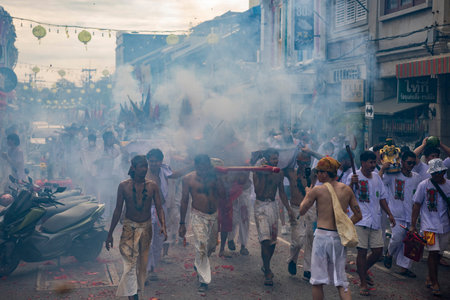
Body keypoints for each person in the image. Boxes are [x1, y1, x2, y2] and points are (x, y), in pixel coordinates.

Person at [300, 156, 362, 300]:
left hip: (322, 237)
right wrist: (344, 226)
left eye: (319, 172)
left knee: (317, 282)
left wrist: (307, 194)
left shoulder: (317, 190)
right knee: (341, 282)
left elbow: (302, 210)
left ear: (325, 173)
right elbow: (358, 215)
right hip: (338, 238)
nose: (317, 175)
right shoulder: (346, 190)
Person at [105, 155, 167, 300]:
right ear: (133, 168)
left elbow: (159, 207)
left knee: (142, 263)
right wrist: (109, 234)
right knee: (130, 262)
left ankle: (134, 290)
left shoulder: (152, 186)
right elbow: (117, 210)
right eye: (142, 166)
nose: (145, 169)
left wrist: (163, 225)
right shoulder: (123, 186)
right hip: (129, 228)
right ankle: (133, 295)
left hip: (146, 228)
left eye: (146, 166)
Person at [347, 150, 396, 296]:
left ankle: (362, 270)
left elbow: (382, 198)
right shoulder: (353, 176)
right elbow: (346, 196)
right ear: (362, 163)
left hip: (375, 220)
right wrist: (351, 184)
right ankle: (363, 281)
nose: (373, 165)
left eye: (374, 162)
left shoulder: (376, 177)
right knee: (362, 252)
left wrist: (390, 214)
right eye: (370, 162)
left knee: (377, 251)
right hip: (360, 220)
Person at [178, 154, 226, 293]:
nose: (204, 169)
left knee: (210, 247)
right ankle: (203, 281)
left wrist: (220, 178)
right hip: (198, 215)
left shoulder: (215, 177)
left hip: (213, 215)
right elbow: (184, 200)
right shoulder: (188, 179)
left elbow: (223, 195)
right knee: (201, 246)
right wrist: (182, 223)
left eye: (206, 166)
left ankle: (198, 263)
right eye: (201, 166)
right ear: (196, 165)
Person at [145, 148, 191, 282]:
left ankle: (152, 266)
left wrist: (192, 166)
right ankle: (148, 270)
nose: (153, 164)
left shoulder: (163, 170)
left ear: (161, 161)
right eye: (151, 161)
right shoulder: (143, 173)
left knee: (159, 241)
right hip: (148, 210)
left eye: (156, 161)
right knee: (149, 240)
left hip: (161, 209)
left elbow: (175, 175)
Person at [253, 148, 295, 286]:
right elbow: (258, 191)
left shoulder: (279, 173)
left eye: (276, 158)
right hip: (260, 206)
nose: (276, 160)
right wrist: (263, 173)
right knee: (265, 240)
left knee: (271, 242)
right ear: (266, 159)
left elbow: (282, 192)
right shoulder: (258, 172)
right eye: (273, 158)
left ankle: (266, 265)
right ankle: (267, 271)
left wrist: (288, 209)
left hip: (273, 206)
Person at [411, 158, 450, 297]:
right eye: (433, 173)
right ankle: (435, 283)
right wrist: (413, 225)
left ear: (443, 172)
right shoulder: (424, 185)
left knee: (439, 254)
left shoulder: (449, 185)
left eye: (439, 173)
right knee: (433, 253)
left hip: (445, 226)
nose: (436, 176)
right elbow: (416, 205)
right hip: (428, 226)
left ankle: (430, 276)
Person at [380, 150, 421, 277]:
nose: (411, 165)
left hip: (411, 216)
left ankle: (404, 268)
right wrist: (383, 169)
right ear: (402, 162)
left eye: (413, 163)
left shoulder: (416, 177)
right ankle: (389, 254)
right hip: (396, 214)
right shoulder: (392, 175)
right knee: (397, 238)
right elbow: (378, 182)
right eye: (408, 162)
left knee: (410, 242)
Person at [285, 150, 316, 281]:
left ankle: (308, 270)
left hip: (310, 208)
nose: (305, 165)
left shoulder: (314, 174)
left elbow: (329, 162)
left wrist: (312, 152)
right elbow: (282, 163)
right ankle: (292, 259)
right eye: (302, 162)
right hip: (296, 208)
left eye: (308, 162)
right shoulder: (291, 173)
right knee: (298, 241)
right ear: (297, 162)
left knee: (310, 238)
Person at [227, 171, 252, 256]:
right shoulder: (234, 166)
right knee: (232, 220)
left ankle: (243, 246)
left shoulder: (248, 168)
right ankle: (230, 239)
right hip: (234, 196)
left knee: (244, 222)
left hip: (245, 199)